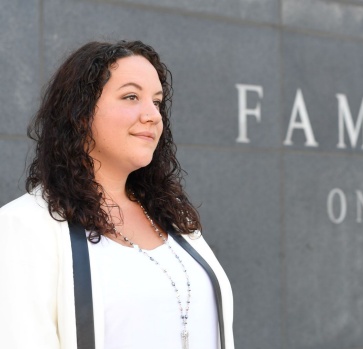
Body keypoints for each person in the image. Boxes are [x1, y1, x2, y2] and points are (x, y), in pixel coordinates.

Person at [0, 40, 234, 349]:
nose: (152, 115)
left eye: (157, 102)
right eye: (131, 96)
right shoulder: (24, 226)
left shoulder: (174, 217)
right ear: (80, 113)